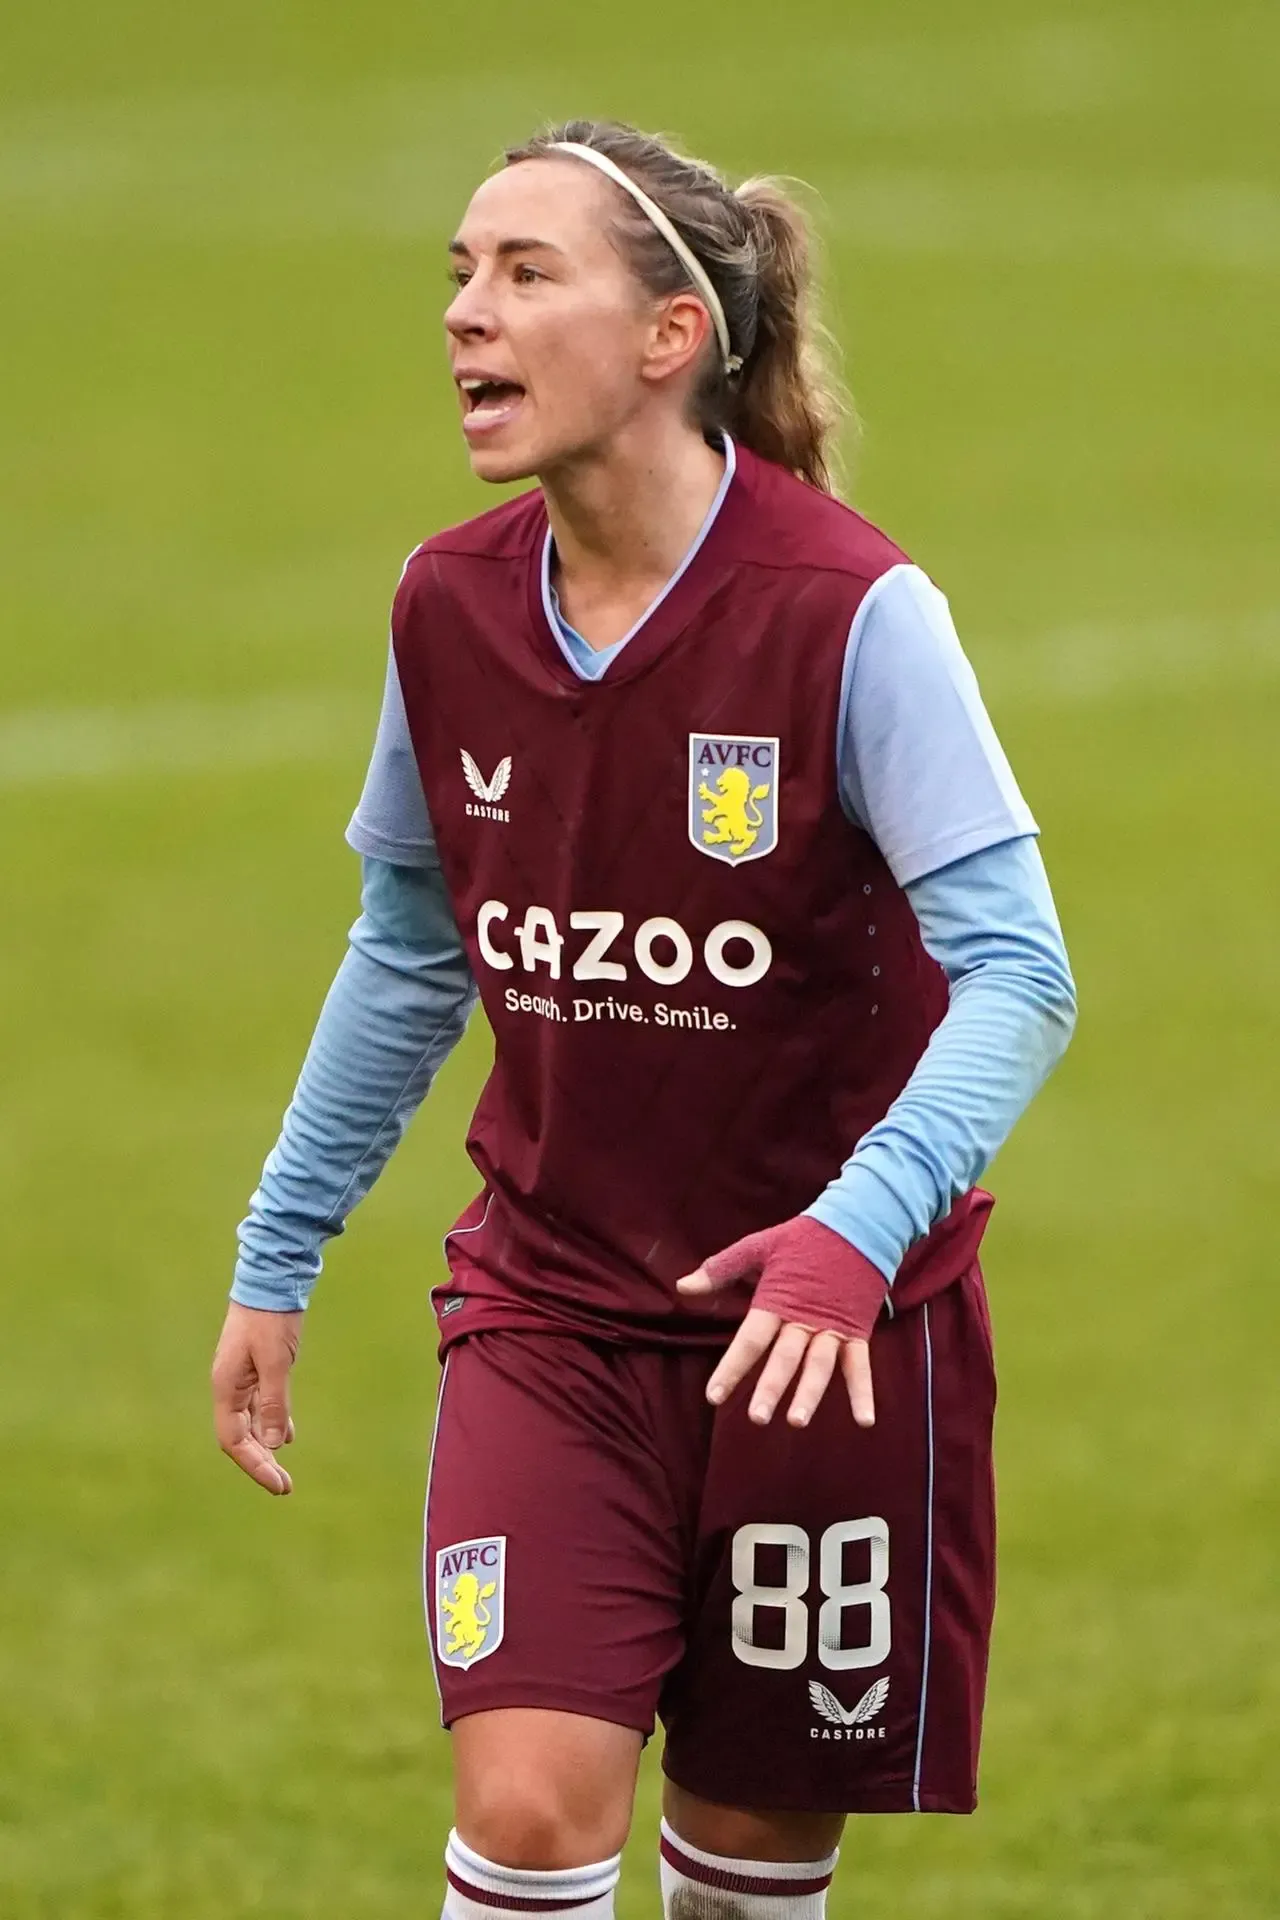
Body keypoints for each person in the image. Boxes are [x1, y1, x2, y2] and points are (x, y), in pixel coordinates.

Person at [212, 119, 1076, 1920]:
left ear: (672, 335)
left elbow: (1021, 973)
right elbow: (409, 946)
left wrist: (854, 1233)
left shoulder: (852, 612)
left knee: (750, 1869)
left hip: (832, 1345)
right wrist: (279, 1248)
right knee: (528, 1817)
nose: (466, 313)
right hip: (552, 1320)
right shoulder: (444, 604)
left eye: (525, 274)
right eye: (458, 272)